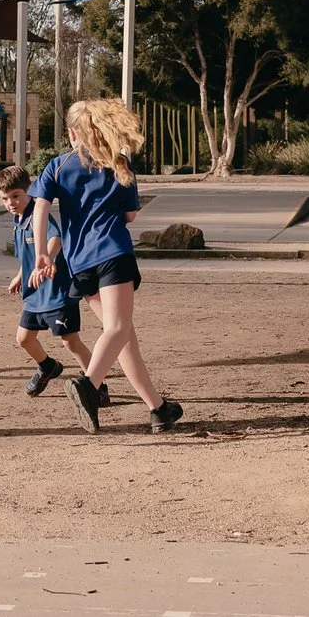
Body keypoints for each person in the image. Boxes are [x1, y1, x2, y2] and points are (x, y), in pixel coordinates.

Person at [29, 98, 187, 433]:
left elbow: (39, 208)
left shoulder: (57, 166)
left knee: (124, 336)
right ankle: (88, 386)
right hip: (113, 254)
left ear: (73, 132)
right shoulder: (118, 163)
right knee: (117, 330)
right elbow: (130, 215)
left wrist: (41, 253)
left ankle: (158, 409)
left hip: (79, 263)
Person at [0, 164, 91, 395]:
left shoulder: (39, 214)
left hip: (57, 293)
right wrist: (20, 275)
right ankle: (48, 366)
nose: (11, 203)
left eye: (16, 196)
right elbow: (26, 256)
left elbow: (55, 239)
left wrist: (46, 258)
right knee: (24, 338)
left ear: (29, 190)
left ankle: (96, 384)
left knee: (70, 341)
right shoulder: (18, 221)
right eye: (5, 198)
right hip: (35, 293)